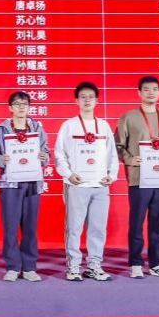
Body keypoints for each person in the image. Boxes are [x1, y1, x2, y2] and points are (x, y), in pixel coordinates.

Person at [115, 75, 159, 279]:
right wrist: (129, 159)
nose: (151, 93)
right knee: (136, 222)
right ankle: (135, 263)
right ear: (139, 93)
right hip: (139, 178)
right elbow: (118, 145)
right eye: (146, 89)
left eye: (154, 89)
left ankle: (156, 263)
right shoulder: (128, 117)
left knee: (157, 223)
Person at [54, 81, 119, 282]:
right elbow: (59, 154)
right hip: (77, 185)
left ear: (97, 100)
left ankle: (94, 265)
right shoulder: (69, 125)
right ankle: (73, 267)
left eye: (91, 97)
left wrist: (112, 175)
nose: (87, 100)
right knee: (74, 228)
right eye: (83, 97)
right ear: (76, 101)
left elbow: (112, 154)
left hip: (100, 185)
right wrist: (68, 174)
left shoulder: (104, 126)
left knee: (98, 228)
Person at [0, 91, 51, 282]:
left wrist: (44, 158)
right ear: (10, 108)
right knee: (10, 226)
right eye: (17, 104)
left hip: (33, 182)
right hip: (10, 183)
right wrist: (1, 159)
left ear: (29, 107)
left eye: (24, 104)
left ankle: (29, 267)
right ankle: (13, 266)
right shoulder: (0, 130)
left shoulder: (38, 129)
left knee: (30, 227)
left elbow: (46, 152)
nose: (21, 107)